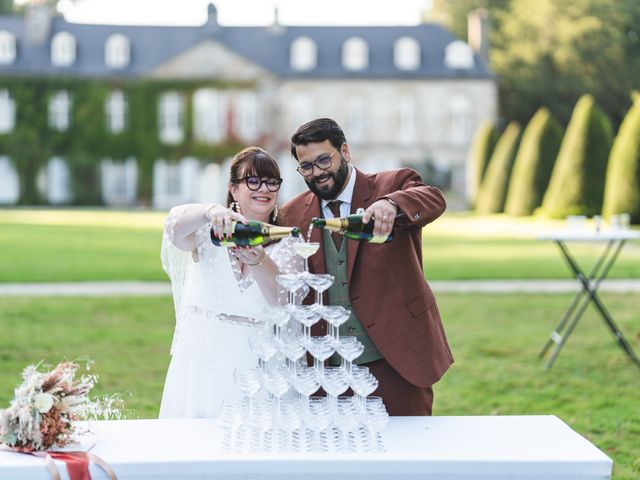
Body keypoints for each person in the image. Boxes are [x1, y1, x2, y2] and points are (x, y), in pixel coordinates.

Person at [279, 118, 453, 416]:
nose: (317, 173)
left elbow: (433, 199)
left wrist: (392, 204)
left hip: (396, 362)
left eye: (324, 160)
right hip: (326, 371)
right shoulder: (292, 213)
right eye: (306, 166)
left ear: (344, 151)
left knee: (408, 456)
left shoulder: (392, 185)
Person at [159, 146, 304, 418]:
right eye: (253, 180)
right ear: (234, 189)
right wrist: (210, 211)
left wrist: (259, 262)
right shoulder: (205, 233)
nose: (264, 188)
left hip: (260, 363)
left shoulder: (290, 243)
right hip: (205, 360)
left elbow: (284, 300)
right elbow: (173, 230)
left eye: (272, 182)